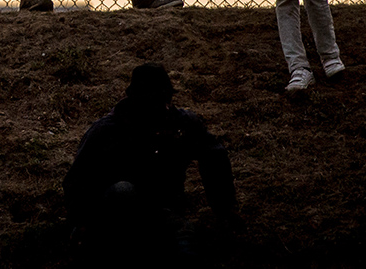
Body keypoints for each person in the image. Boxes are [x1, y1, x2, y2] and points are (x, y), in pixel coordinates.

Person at [63, 63, 240, 259]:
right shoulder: (108, 130)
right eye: (154, 102)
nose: (162, 108)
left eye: (164, 100)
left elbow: (215, 157)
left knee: (185, 243)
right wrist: (82, 223)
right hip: (114, 217)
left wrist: (225, 211)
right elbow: (77, 181)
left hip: (162, 211)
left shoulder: (180, 124)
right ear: (136, 100)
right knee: (123, 192)